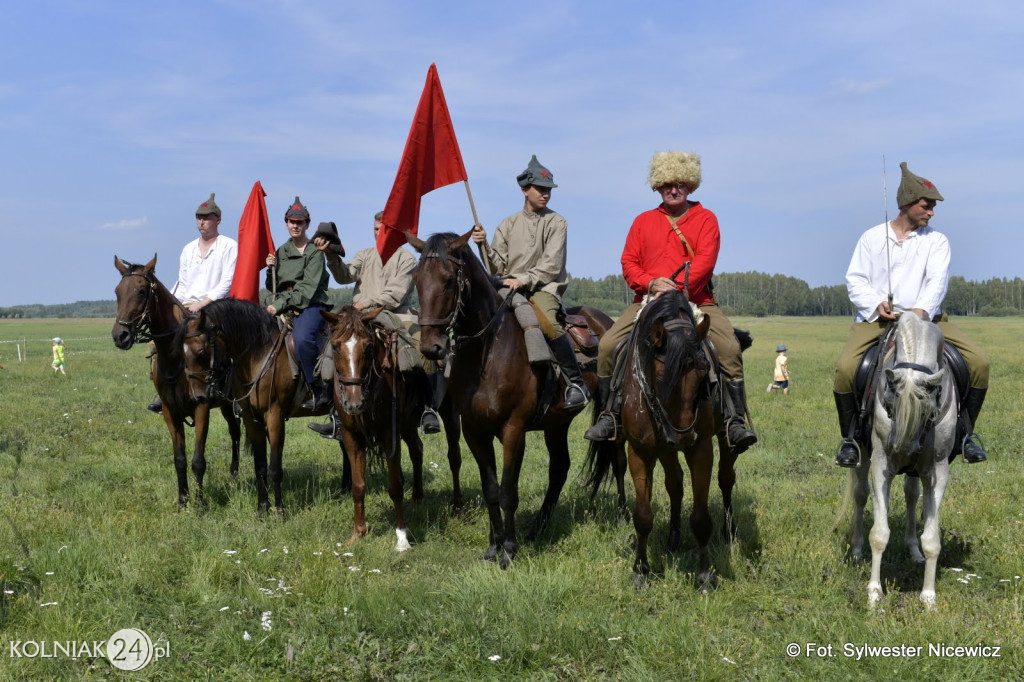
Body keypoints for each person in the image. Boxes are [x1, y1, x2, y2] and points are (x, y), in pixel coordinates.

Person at [584, 151, 757, 454]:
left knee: (729, 348)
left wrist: (676, 288)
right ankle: (610, 414)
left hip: (697, 300)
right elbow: (629, 262)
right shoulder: (643, 221)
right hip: (647, 300)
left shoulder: (706, 219)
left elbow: (704, 262)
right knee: (609, 345)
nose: (673, 189)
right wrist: (650, 283)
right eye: (665, 184)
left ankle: (733, 421)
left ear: (690, 184)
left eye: (678, 183)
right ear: (657, 186)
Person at [833, 162, 989, 467]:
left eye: (932, 207)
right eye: (926, 205)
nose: (931, 212)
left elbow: (937, 281)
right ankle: (850, 439)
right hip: (877, 321)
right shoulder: (871, 238)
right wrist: (876, 303)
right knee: (844, 370)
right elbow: (855, 279)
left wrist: (920, 312)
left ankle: (966, 435)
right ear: (906, 203)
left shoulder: (937, 241)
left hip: (926, 320)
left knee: (980, 363)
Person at [471, 155, 588, 410]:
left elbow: (551, 265)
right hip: (508, 288)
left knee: (546, 323)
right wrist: (482, 245)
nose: (546, 194)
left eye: (549, 190)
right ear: (525, 190)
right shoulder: (507, 224)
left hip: (544, 289)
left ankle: (575, 383)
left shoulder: (557, 222)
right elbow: (496, 266)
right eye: (541, 189)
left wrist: (522, 279)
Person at [307, 213, 441, 437]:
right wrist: (331, 255)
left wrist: (364, 303)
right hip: (361, 317)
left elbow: (394, 295)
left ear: (395, 233)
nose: (378, 233)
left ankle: (428, 408)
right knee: (333, 353)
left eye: (383, 229)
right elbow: (344, 275)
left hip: (397, 314)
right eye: (376, 229)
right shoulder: (365, 255)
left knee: (420, 351)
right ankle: (335, 415)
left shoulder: (406, 258)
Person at [148, 193, 238, 413]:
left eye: (207, 217)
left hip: (217, 306)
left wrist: (203, 304)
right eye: (198, 217)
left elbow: (226, 282)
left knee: (228, 344)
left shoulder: (228, 246)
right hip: (188, 305)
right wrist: (172, 305)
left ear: (218, 220)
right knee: (160, 341)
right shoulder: (188, 249)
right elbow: (183, 282)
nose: (201, 221)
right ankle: (166, 390)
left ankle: (235, 390)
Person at [265, 197, 331, 411]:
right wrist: (270, 269)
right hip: (282, 303)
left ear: (307, 225)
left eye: (299, 222)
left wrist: (280, 303)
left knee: (302, 339)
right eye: (291, 222)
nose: (295, 225)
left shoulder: (315, 252)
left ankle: (318, 389)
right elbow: (272, 286)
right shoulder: (281, 251)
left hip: (311, 305)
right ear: (286, 223)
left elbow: (307, 290)